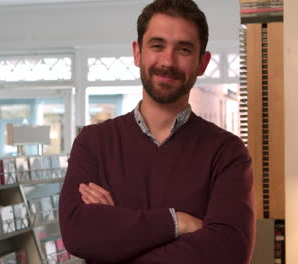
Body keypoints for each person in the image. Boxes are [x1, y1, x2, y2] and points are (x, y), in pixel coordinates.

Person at [59, 0, 255, 263]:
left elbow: (228, 252)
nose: (167, 61)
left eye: (184, 49)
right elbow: (78, 235)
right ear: (137, 53)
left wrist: (117, 237)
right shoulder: (93, 142)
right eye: (157, 45)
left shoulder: (227, 153)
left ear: (202, 63)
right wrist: (178, 222)